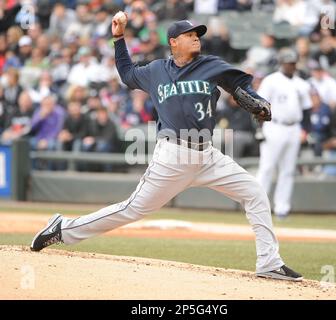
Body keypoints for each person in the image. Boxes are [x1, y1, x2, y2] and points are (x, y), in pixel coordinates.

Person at [30, 15, 303, 282]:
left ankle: (269, 262)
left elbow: (241, 86)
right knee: (132, 209)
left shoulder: (212, 65)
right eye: (189, 34)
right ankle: (63, 228)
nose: (196, 37)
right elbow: (126, 74)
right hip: (173, 155)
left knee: (254, 192)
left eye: (198, 34)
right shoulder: (156, 71)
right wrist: (118, 38)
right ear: (173, 42)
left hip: (207, 155)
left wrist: (258, 100)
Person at [256, 48, 312, 219]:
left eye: (293, 63)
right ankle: (258, 206)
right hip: (274, 126)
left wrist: (306, 130)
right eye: (288, 63)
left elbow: (307, 109)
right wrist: (259, 129)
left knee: (287, 170)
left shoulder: (302, 83)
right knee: (267, 167)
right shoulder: (271, 80)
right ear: (281, 63)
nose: (291, 66)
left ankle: (282, 208)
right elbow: (259, 106)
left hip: (294, 128)